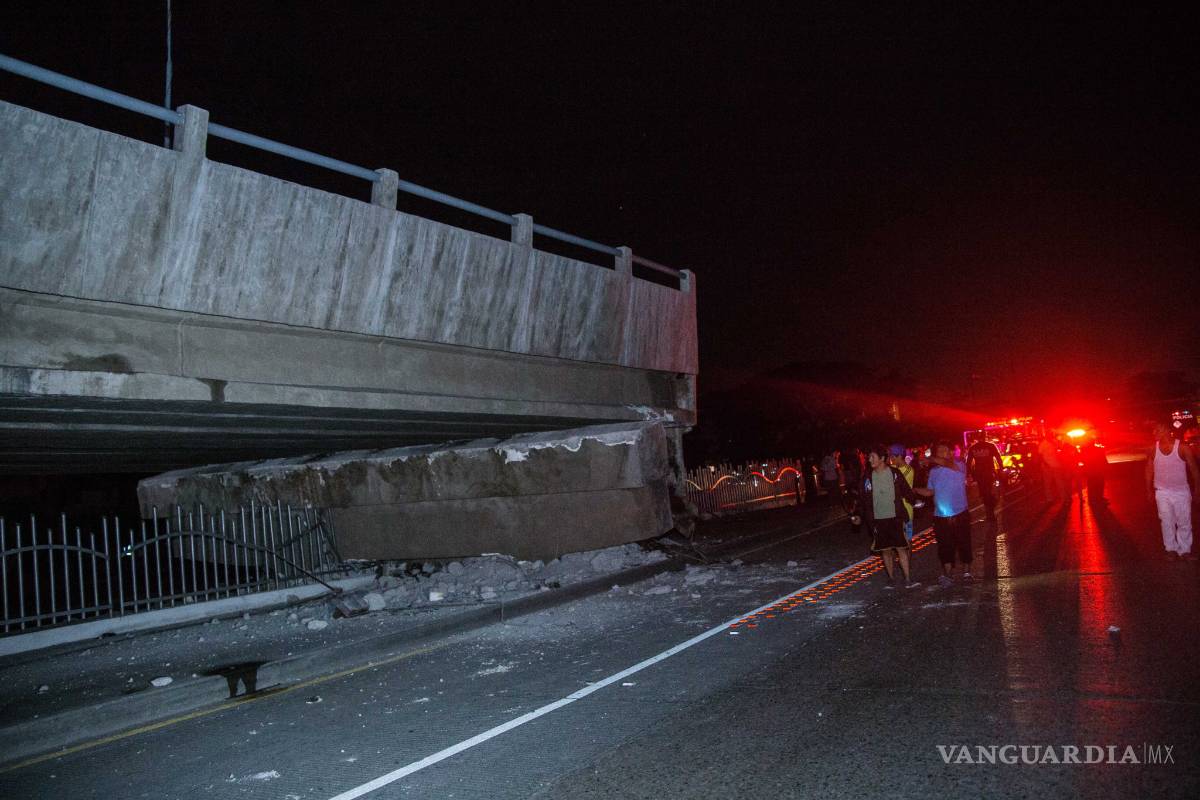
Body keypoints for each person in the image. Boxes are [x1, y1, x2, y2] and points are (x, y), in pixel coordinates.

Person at [861, 445, 920, 588]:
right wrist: (858, 515)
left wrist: (915, 500)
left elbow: (906, 490)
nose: (869, 460)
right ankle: (891, 578)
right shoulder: (868, 477)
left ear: (882, 458)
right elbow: (863, 499)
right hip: (878, 520)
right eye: (869, 457)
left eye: (872, 457)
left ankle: (907, 579)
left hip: (896, 517)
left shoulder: (894, 473)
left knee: (901, 548)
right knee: (885, 551)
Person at [916, 441, 973, 586]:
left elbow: (948, 463)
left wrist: (929, 459)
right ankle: (948, 574)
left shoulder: (958, 465)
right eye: (939, 451)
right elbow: (930, 492)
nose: (942, 453)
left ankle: (967, 571)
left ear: (951, 453)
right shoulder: (934, 472)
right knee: (945, 546)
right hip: (940, 515)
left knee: (964, 543)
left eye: (945, 450)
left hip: (960, 513)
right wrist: (914, 490)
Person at [1146, 422, 1199, 560]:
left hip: (1181, 491)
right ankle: (1170, 549)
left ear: (1166, 429)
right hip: (1162, 491)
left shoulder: (1182, 448)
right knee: (1166, 521)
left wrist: (1197, 489)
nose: (1154, 433)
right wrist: (1149, 490)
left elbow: (1194, 470)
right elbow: (1149, 469)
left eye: (1157, 429)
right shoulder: (1153, 449)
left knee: (1184, 521)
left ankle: (1185, 550)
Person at [967, 434, 1004, 521]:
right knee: (989, 491)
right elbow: (998, 457)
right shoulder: (991, 446)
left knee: (984, 493)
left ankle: (989, 511)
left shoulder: (973, 448)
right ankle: (990, 510)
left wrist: (968, 473)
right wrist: (1001, 468)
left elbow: (968, 462)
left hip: (979, 474)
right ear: (985, 438)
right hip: (989, 472)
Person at [888, 443, 916, 544]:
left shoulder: (908, 470)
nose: (891, 458)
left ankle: (906, 559)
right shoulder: (892, 468)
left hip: (905, 509)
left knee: (906, 541)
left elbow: (895, 485)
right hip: (893, 510)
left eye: (893, 456)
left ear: (900, 456)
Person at [1038, 434, 1068, 503]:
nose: (1051, 437)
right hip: (1047, 466)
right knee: (1048, 484)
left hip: (1056, 466)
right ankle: (1049, 499)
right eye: (1050, 436)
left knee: (1059, 483)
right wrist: (1045, 463)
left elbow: (1059, 452)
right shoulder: (1043, 443)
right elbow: (1039, 455)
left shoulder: (1054, 442)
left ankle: (1063, 498)